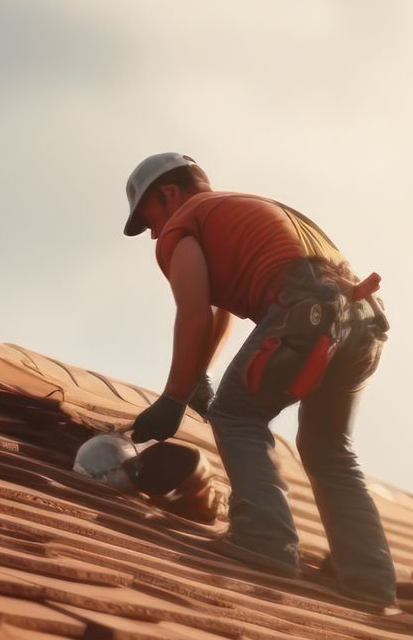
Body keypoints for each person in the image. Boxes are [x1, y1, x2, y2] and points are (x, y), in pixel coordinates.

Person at [120, 151, 396, 605]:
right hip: (363, 321)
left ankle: (264, 540)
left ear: (169, 194)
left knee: (235, 415)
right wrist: (197, 377)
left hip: (308, 309)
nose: (152, 232)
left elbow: (192, 312)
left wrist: (172, 398)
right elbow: (218, 310)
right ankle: (370, 578)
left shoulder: (182, 224)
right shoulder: (242, 208)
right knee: (328, 450)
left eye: (148, 218)